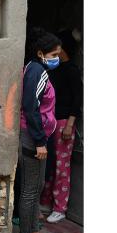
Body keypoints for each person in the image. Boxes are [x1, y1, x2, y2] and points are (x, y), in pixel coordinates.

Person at [15, 27, 62, 233]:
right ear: (41, 53)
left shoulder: (38, 69)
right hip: (33, 137)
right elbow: (30, 107)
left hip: (38, 136)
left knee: (37, 186)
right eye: (53, 55)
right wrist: (40, 141)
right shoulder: (37, 71)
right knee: (30, 190)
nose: (56, 59)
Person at [40, 30, 83, 223]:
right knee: (49, 163)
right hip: (51, 121)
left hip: (65, 122)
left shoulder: (71, 70)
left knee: (61, 167)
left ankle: (60, 207)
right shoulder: (53, 70)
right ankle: (47, 201)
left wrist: (70, 124)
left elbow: (77, 100)